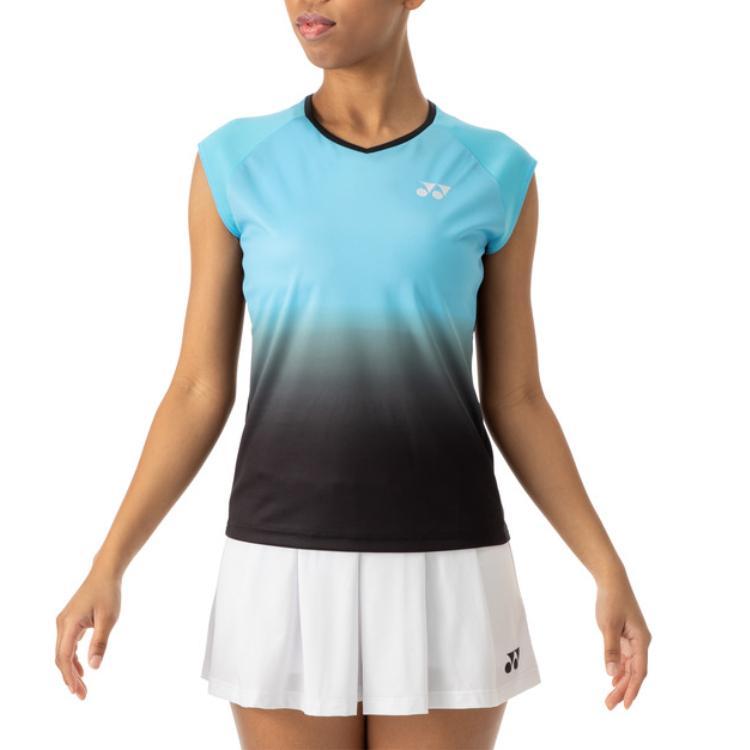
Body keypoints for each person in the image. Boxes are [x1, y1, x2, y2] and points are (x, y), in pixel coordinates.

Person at [54, 1, 652, 747]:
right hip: (280, 560)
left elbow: (518, 396)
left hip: (449, 560)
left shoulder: (495, 171)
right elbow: (198, 388)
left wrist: (605, 566)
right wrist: (109, 562)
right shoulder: (235, 163)